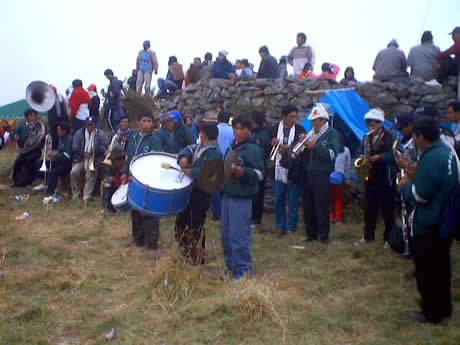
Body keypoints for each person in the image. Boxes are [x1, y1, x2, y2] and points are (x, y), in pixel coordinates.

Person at [399, 117, 458, 324]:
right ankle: (444, 309)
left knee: (427, 271)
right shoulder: (447, 151)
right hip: (445, 221)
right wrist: (418, 172)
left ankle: (431, 313)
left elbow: (420, 195)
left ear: (422, 137)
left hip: (429, 222)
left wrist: (405, 185)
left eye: (416, 137)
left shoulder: (433, 158)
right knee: (442, 269)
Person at [221, 115, 264, 280]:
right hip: (227, 195)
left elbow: (260, 174)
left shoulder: (254, 150)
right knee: (226, 236)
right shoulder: (231, 148)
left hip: (241, 198)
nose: (238, 132)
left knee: (239, 236)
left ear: (249, 131)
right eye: (236, 128)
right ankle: (231, 267)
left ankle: (244, 271)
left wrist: (244, 172)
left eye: (242, 128)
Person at [175, 122, 223, 264]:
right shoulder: (199, 148)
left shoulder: (214, 153)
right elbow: (188, 149)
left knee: (196, 224)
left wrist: (192, 172)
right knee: (181, 222)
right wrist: (183, 157)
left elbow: (211, 172)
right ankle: (184, 250)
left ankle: (197, 255)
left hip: (202, 193)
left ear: (204, 134)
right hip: (190, 192)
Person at [301, 104, 342, 243]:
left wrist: (315, 147)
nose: (313, 123)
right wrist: (302, 144)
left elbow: (332, 155)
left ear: (323, 120)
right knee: (308, 207)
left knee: (321, 207)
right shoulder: (312, 133)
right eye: (312, 120)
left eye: (315, 120)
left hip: (323, 176)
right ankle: (311, 234)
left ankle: (324, 237)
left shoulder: (333, 134)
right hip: (309, 175)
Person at [354, 108, 396, 246]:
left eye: (375, 123)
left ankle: (389, 239)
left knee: (388, 211)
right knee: (370, 209)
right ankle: (368, 237)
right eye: (369, 123)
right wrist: (362, 158)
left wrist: (379, 157)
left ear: (380, 123)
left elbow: (396, 154)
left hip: (386, 177)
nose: (371, 126)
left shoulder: (391, 136)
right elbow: (359, 151)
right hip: (371, 177)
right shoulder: (366, 137)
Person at [121, 112, 162, 250]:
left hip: (148, 181)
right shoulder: (133, 138)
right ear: (139, 123)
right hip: (133, 179)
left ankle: (152, 243)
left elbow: (155, 162)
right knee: (135, 208)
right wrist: (125, 172)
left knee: (149, 211)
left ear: (153, 123)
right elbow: (129, 157)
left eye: (149, 121)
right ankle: (138, 240)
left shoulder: (155, 140)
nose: (146, 124)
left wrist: (145, 177)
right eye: (144, 121)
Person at [269, 104, 306, 235]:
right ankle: (280, 226)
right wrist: (272, 143)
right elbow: (267, 145)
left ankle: (291, 228)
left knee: (293, 200)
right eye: (291, 117)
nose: (294, 120)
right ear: (283, 117)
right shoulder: (274, 129)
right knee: (279, 199)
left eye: (296, 117)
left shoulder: (300, 129)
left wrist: (289, 148)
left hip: (293, 169)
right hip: (278, 167)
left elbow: (302, 148)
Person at [70, 117, 109, 201]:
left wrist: (95, 150)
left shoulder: (100, 134)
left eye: (92, 125)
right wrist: (83, 153)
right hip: (81, 158)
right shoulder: (79, 133)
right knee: (74, 172)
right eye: (88, 125)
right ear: (85, 125)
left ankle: (86, 196)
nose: (90, 127)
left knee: (90, 174)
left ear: (95, 125)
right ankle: (75, 193)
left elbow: (105, 146)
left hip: (94, 159)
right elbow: (74, 147)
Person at [35, 121, 73, 203]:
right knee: (40, 163)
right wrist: (52, 154)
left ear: (64, 131)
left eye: (59, 130)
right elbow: (60, 151)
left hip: (66, 163)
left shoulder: (69, 139)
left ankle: (50, 191)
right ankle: (46, 183)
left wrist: (56, 156)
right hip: (58, 160)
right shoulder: (61, 138)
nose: (57, 131)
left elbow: (67, 155)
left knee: (54, 172)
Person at [212, 111, 235, 221]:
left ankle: (218, 213)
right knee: (227, 186)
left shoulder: (215, 130)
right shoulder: (233, 130)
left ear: (218, 119)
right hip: (229, 160)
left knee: (215, 187)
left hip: (216, 160)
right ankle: (227, 212)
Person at [12, 109, 44, 187]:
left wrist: (44, 136)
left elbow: (46, 137)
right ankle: (16, 180)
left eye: (34, 115)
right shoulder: (21, 126)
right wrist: (15, 136)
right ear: (27, 117)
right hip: (24, 151)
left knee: (29, 161)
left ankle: (29, 181)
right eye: (31, 116)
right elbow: (14, 134)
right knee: (18, 161)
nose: (33, 117)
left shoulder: (39, 126)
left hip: (36, 150)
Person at [251, 111, 270, 228]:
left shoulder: (264, 134)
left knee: (259, 194)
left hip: (259, 167)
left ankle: (257, 219)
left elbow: (263, 151)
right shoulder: (252, 132)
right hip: (251, 166)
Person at [330, 145, 351, 223]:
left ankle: (333, 216)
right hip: (338, 176)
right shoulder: (346, 150)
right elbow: (347, 167)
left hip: (330, 175)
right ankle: (338, 217)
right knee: (338, 198)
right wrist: (348, 179)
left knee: (331, 198)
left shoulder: (329, 148)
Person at [101, 148, 125, 215]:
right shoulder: (114, 168)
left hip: (124, 189)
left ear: (121, 160)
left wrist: (114, 179)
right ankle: (107, 207)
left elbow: (126, 182)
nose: (113, 163)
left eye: (115, 161)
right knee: (107, 184)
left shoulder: (127, 167)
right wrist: (108, 179)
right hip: (116, 186)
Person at [104, 69, 125, 133]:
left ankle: (116, 133)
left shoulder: (114, 82)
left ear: (110, 74)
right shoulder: (118, 81)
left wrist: (108, 94)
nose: (107, 78)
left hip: (114, 104)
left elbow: (115, 92)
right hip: (118, 104)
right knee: (120, 119)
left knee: (111, 119)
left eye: (107, 76)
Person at [48, 85, 69, 150]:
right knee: (54, 138)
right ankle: (54, 152)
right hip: (53, 121)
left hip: (61, 120)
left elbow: (65, 108)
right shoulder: (48, 99)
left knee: (63, 137)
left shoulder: (60, 98)